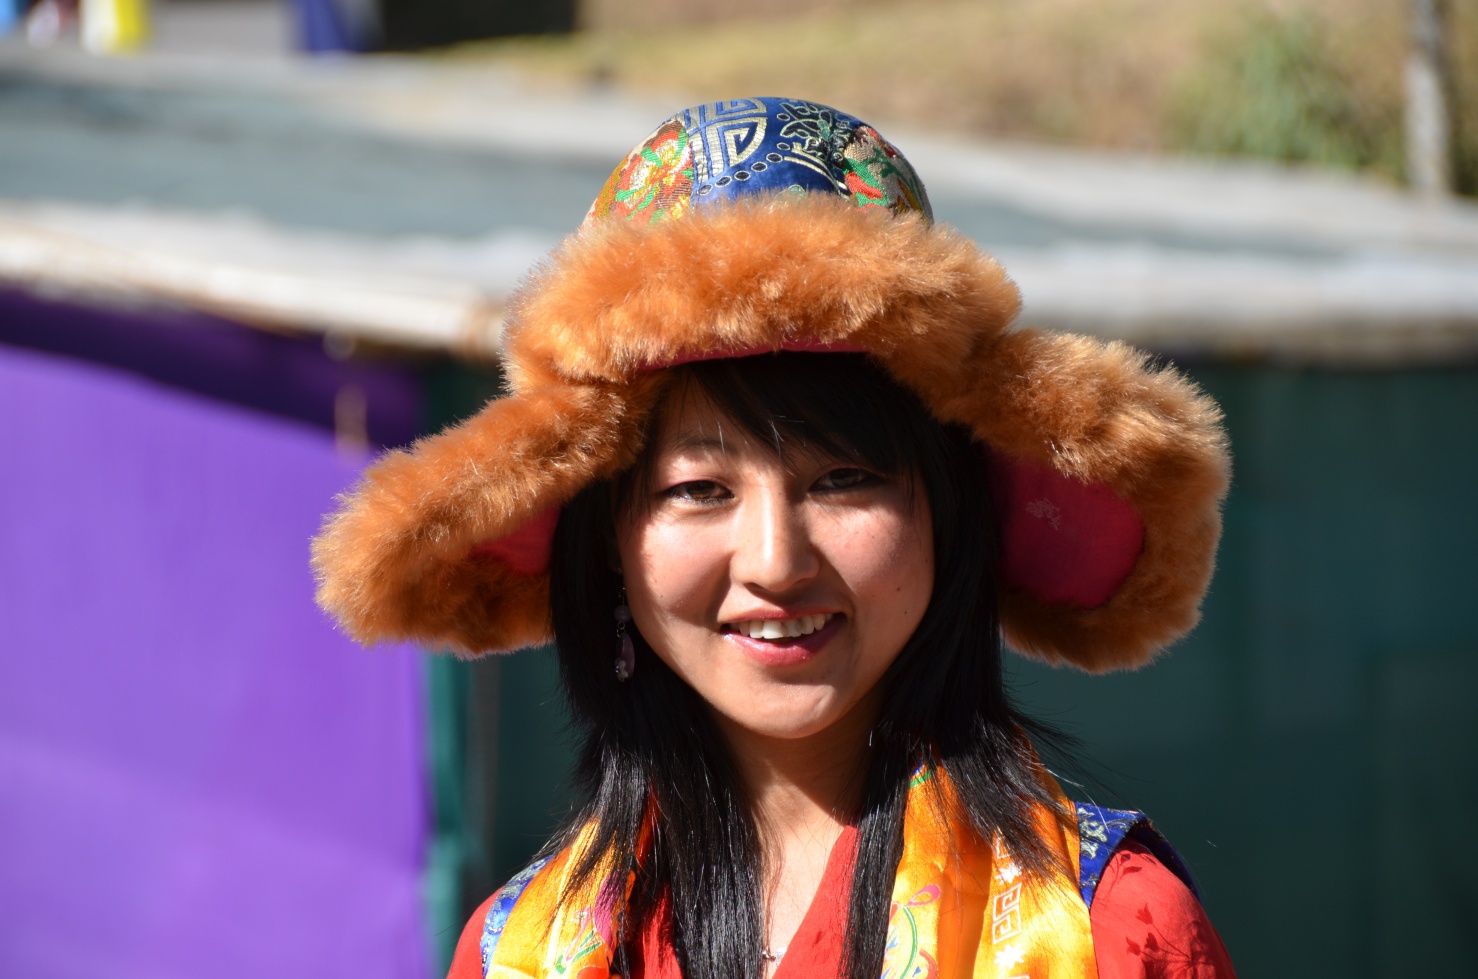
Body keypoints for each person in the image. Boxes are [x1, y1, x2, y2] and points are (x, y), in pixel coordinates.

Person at [313, 98, 1236, 979]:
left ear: (946, 514)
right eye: (699, 490)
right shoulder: (523, 952)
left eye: (842, 479)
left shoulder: (1099, 931)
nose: (775, 562)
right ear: (610, 543)